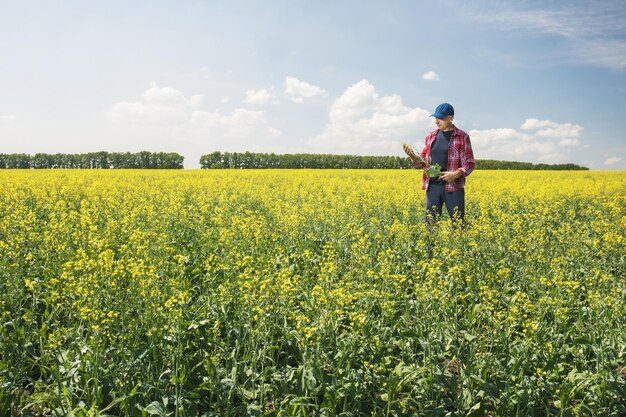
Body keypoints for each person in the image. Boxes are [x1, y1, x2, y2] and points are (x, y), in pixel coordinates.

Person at [407, 103, 475, 226]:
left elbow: (469, 163)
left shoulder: (462, 137)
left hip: (453, 188)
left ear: (451, 118)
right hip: (432, 187)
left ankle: (460, 245)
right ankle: (430, 246)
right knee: (430, 226)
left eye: (441, 118)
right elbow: (423, 162)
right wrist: (413, 157)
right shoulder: (430, 136)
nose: (436, 121)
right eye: (435, 118)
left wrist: (456, 174)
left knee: (458, 224)